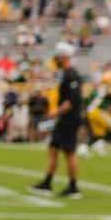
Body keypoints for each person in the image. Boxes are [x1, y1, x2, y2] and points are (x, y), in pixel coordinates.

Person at [31, 41, 85, 199]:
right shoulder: (67, 74)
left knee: (69, 152)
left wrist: (57, 112)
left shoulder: (71, 75)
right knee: (53, 149)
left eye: (58, 57)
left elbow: (73, 100)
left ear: (64, 57)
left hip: (69, 119)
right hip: (65, 119)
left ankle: (73, 186)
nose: (56, 60)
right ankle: (47, 183)